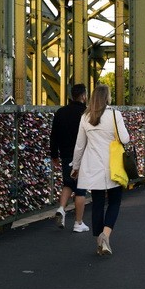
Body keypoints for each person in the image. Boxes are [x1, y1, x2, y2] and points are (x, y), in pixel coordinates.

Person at [71, 83, 129, 255]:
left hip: (92, 166)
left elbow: (80, 146)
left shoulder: (85, 116)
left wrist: (75, 167)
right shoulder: (114, 114)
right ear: (108, 97)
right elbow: (125, 139)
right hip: (113, 165)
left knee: (97, 203)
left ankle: (98, 239)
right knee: (115, 201)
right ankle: (106, 234)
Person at [49, 83, 89, 232]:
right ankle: (78, 223)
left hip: (65, 154)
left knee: (68, 183)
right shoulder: (86, 113)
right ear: (84, 96)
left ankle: (61, 208)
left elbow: (53, 136)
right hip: (82, 155)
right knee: (80, 189)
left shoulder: (61, 112)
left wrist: (54, 155)